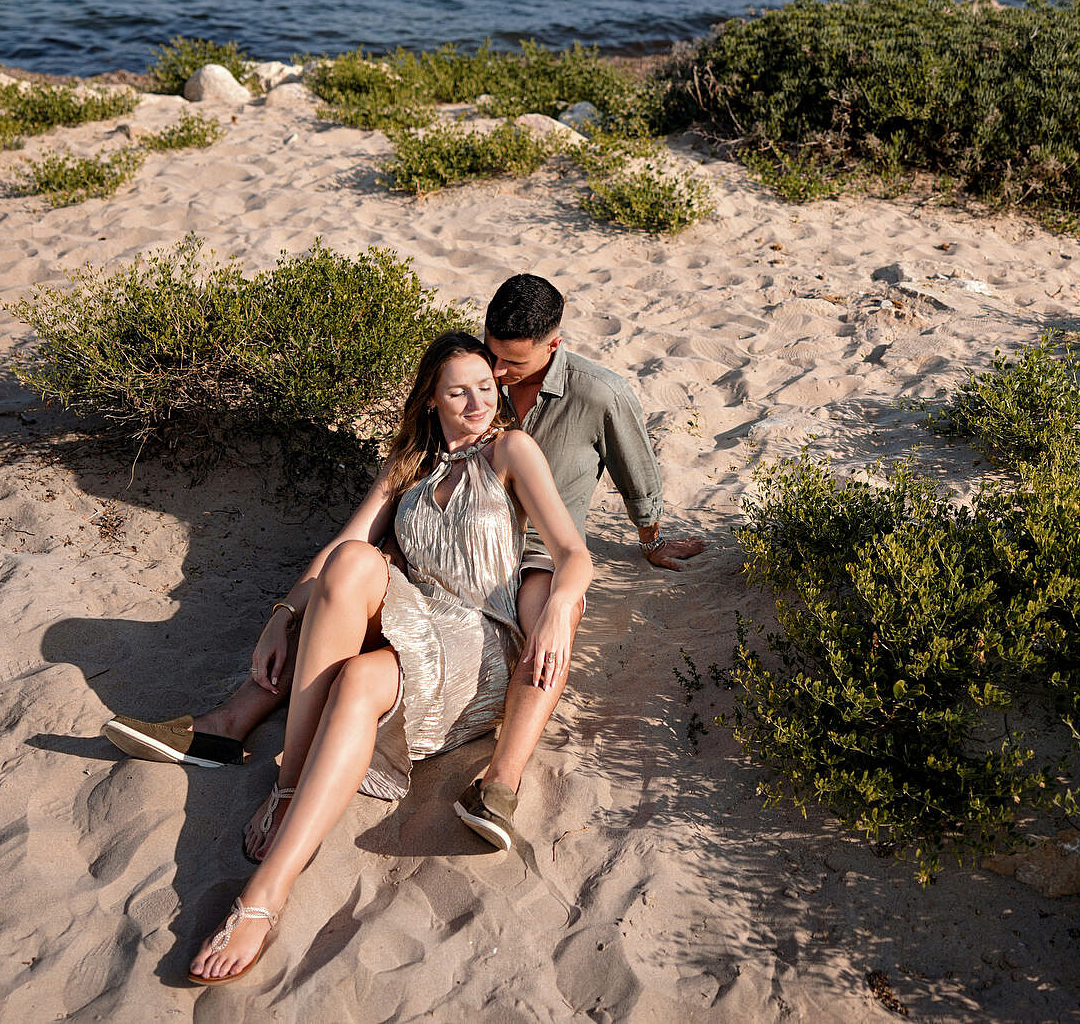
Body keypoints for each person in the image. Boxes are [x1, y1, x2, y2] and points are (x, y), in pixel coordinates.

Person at [103, 275, 704, 852]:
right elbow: (356, 533)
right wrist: (281, 612)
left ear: (554, 346)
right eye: (489, 356)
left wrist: (650, 539)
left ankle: (501, 781)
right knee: (347, 580)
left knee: (549, 615)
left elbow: (634, 479)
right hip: (442, 535)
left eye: (508, 366)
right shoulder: (464, 394)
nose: (493, 374)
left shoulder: (599, 394)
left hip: (531, 551)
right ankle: (231, 722)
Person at [187, 331, 585, 984]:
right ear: (431, 399)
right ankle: (289, 788)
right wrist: (281, 618)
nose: (477, 402)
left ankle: (266, 891)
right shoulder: (411, 462)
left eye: (486, 387)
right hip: (417, 621)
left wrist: (559, 617)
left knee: (365, 668)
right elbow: (341, 546)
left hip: (479, 644)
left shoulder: (511, 449)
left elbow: (573, 552)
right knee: (350, 572)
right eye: (459, 391)